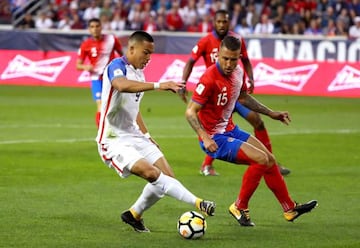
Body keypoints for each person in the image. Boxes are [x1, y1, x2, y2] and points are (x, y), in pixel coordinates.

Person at [185, 35, 317, 227]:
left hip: (229, 129)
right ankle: (239, 206)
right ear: (218, 55)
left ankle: (289, 208)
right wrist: (204, 137)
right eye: (225, 58)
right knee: (260, 159)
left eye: (234, 59)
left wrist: (271, 113)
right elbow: (190, 112)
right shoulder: (209, 78)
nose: (229, 63)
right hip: (214, 137)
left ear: (239, 57)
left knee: (269, 159)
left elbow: (244, 98)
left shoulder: (238, 73)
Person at [95, 30, 216, 233]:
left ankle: (134, 214)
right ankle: (198, 202)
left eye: (151, 54)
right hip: (113, 139)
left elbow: (134, 109)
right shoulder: (116, 66)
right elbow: (121, 86)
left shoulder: (139, 74)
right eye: (145, 53)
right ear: (131, 48)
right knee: (152, 173)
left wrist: (148, 136)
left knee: (168, 178)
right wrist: (160, 85)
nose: (149, 58)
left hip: (135, 135)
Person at [181, 9, 290, 176]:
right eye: (219, 22)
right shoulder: (205, 42)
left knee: (257, 121)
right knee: (219, 128)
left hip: (236, 92)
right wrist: (183, 83)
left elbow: (246, 60)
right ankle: (207, 165)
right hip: (216, 94)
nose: (222, 25)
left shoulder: (237, 41)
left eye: (225, 22)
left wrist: (251, 79)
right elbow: (190, 62)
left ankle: (271, 160)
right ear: (214, 23)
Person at [76, 18, 123, 128]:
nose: (95, 29)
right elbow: (77, 65)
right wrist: (85, 66)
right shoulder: (86, 44)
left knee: (113, 106)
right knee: (101, 105)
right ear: (89, 29)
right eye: (92, 27)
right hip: (96, 79)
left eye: (97, 26)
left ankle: (114, 131)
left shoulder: (111, 39)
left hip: (111, 77)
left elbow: (122, 56)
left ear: (101, 27)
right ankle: (103, 135)